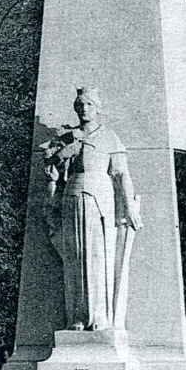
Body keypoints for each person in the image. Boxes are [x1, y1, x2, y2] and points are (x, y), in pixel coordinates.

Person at [41, 88, 141, 331]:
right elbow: (56, 176)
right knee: (75, 257)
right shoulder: (67, 139)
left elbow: (121, 174)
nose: (83, 108)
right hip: (72, 198)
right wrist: (57, 165)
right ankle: (78, 315)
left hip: (100, 199)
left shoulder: (109, 137)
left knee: (98, 256)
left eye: (88, 104)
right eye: (80, 104)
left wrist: (130, 208)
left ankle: (99, 316)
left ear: (97, 107)